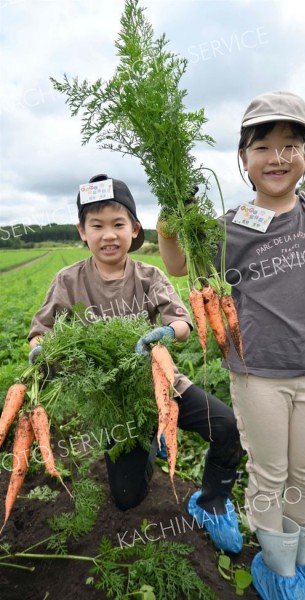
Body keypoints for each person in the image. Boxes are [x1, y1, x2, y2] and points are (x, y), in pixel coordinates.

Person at [156, 92, 305, 599]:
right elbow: (174, 264)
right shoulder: (233, 224)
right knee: (270, 472)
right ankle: (277, 571)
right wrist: (169, 227)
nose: (276, 158)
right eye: (262, 147)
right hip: (257, 373)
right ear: (243, 158)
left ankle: (303, 559)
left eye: (290, 145)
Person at [27, 173, 243, 554]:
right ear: (82, 231)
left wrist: (167, 333)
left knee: (227, 427)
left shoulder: (149, 275)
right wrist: (40, 350)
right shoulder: (67, 281)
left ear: (134, 229)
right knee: (127, 498)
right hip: (115, 405)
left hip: (164, 385)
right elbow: (40, 331)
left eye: (117, 224)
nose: (108, 235)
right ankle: (150, 445)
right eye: (97, 226)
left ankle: (214, 501)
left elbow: (182, 321)